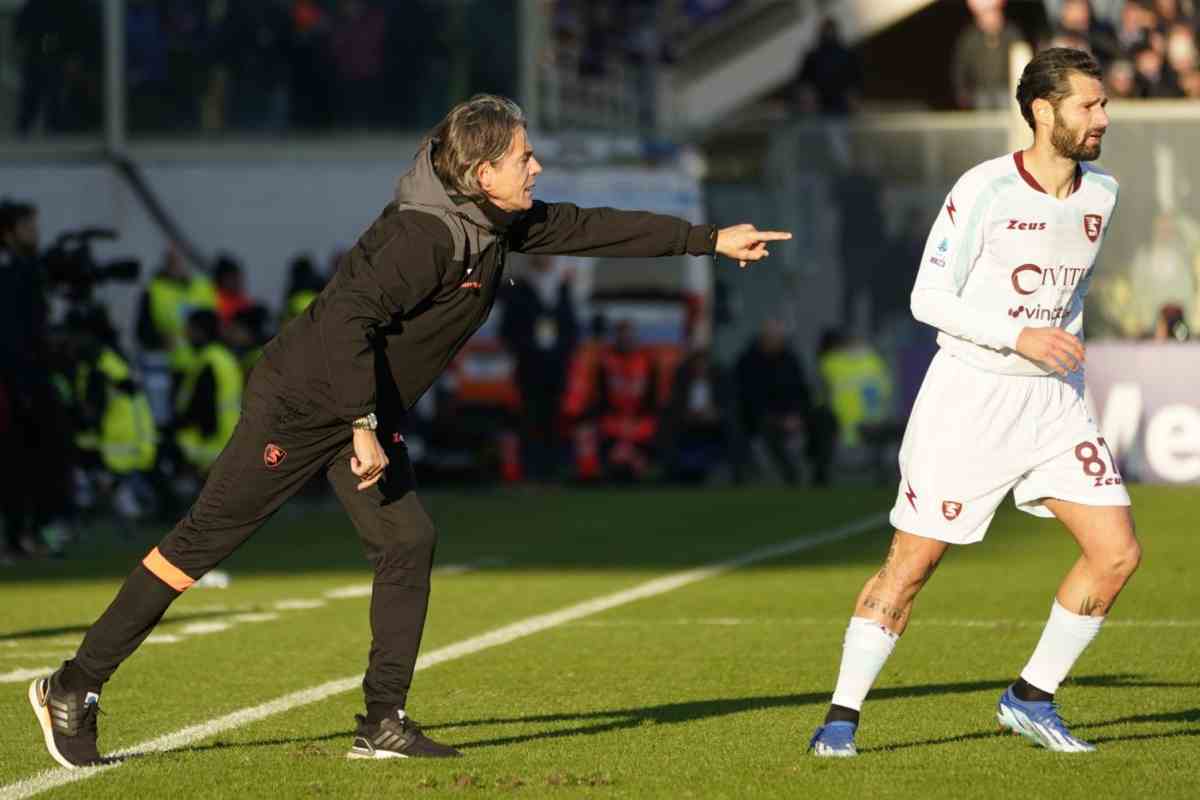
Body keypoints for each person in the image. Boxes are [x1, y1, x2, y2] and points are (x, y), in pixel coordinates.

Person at [28, 94, 790, 767]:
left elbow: (591, 228)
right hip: (302, 404)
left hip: (358, 411)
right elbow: (343, 326)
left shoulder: (496, 221)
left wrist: (709, 239)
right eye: (525, 156)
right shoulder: (425, 236)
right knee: (197, 546)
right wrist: (360, 424)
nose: (537, 166)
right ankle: (72, 686)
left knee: (406, 541)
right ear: (483, 172)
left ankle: (382, 721)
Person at [809, 48, 1139, 757]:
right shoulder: (984, 188)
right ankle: (840, 718)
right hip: (970, 400)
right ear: (1043, 111)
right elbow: (928, 298)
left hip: (1053, 403)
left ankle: (1030, 697)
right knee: (913, 565)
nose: (1103, 118)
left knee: (1116, 554)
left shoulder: (1102, 193)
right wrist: (1019, 335)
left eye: (1103, 104)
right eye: (1089, 105)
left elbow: (1067, 294)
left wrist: (1055, 349)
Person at [951, 0, 1025, 110]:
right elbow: (960, 67)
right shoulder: (970, 38)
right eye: (987, 14)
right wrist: (962, 92)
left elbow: (1023, 60)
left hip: (1006, 90)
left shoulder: (1011, 35)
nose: (991, 18)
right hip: (980, 92)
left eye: (994, 13)